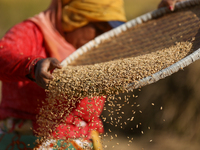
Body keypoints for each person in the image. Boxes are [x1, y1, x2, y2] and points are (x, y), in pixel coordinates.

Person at [0, 0, 184, 149]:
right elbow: (3, 56)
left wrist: (165, 20)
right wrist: (33, 65)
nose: (103, 39)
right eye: (99, 29)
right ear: (74, 18)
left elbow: (141, 50)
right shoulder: (31, 33)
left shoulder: (102, 48)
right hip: (24, 141)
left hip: (83, 141)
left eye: (109, 32)